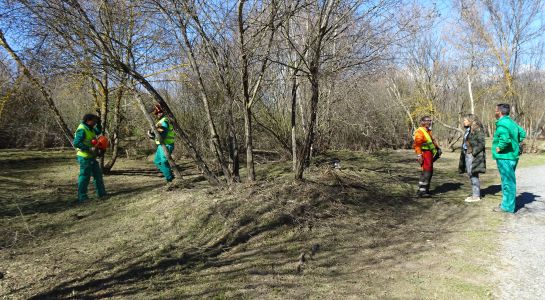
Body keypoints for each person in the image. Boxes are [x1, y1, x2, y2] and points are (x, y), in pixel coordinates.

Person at [492, 103, 526, 213]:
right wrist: (516, 144)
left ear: (500, 112)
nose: (495, 112)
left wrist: (499, 147)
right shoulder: (511, 122)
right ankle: (507, 204)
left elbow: (505, 140)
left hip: (505, 157)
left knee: (507, 182)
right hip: (513, 156)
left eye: (496, 110)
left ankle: (507, 207)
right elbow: (522, 133)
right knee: (508, 181)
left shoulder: (502, 123)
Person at [74, 114, 107, 203]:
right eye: (94, 121)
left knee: (98, 175)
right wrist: (88, 148)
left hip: (91, 157)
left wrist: (99, 123)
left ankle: (102, 193)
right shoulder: (82, 129)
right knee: (85, 177)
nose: (95, 122)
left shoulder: (90, 128)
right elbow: (76, 143)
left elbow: (98, 131)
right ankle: (82, 196)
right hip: (84, 157)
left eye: (96, 121)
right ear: (88, 120)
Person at [458, 114, 486, 202]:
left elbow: (481, 143)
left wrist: (473, 152)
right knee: (470, 174)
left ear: (471, 120)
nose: (464, 121)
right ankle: (475, 193)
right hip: (467, 154)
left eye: (465, 120)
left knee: (473, 174)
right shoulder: (468, 130)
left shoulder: (478, 130)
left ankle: (476, 196)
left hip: (474, 155)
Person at [413, 116, 441, 197]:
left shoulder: (428, 131)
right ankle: (423, 191)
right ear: (422, 122)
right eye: (427, 121)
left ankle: (424, 190)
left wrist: (438, 148)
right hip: (424, 154)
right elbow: (417, 145)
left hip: (429, 154)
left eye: (430, 120)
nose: (429, 122)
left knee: (428, 172)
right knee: (427, 172)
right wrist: (419, 155)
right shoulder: (420, 131)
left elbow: (431, 141)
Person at [147, 104, 175, 183]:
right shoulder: (159, 122)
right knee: (157, 161)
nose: (159, 114)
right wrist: (151, 135)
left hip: (167, 144)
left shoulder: (164, 121)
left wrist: (152, 136)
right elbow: (158, 134)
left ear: (163, 112)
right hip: (161, 145)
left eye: (160, 112)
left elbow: (163, 134)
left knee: (163, 161)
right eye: (157, 113)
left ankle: (170, 179)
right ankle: (169, 175)